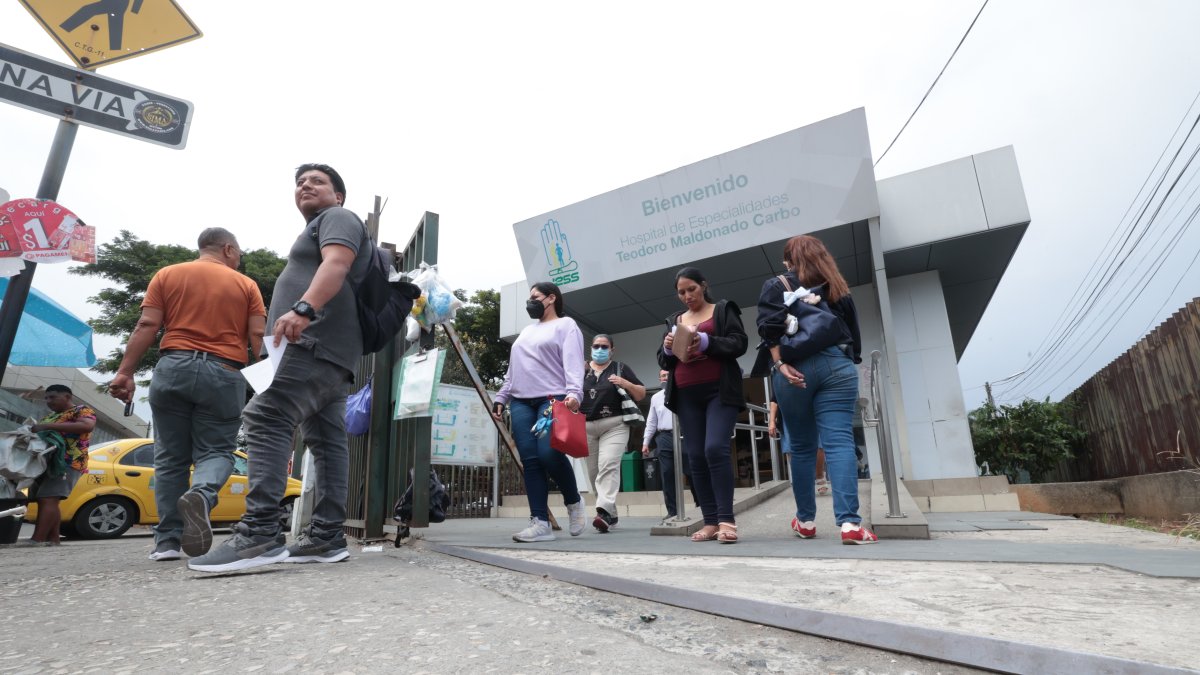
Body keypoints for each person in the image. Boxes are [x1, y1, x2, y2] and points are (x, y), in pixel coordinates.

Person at [190, 163, 374, 572]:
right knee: (326, 442)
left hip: (313, 342)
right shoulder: (323, 223)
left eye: (318, 181)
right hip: (331, 352)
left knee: (267, 416)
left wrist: (304, 309)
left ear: (338, 195)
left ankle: (260, 534)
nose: (305, 185)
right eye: (300, 182)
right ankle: (327, 537)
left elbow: (337, 263)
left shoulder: (337, 218)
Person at [109, 228, 266, 562]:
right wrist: (266, 382)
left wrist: (125, 372)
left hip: (173, 367)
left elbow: (147, 326)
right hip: (224, 372)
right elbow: (257, 335)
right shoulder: (246, 285)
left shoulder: (167, 275)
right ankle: (202, 495)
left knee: (170, 458)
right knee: (218, 451)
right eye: (238, 253)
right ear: (227, 249)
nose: (239, 260)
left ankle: (167, 542)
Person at [756, 234, 877, 544]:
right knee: (838, 442)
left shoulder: (776, 284)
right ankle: (850, 525)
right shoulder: (835, 284)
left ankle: (806, 521)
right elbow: (855, 337)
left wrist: (780, 366)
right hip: (837, 365)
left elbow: (768, 330)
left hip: (793, 368)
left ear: (788, 260)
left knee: (801, 445)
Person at [491, 282, 588, 543]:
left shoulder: (566, 325)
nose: (530, 302)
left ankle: (574, 502)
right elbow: (514, 370)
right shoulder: (525, 331)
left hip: (552, 399)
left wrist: (574, 393)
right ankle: (540, 523)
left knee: (548, 453)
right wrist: (501, 397)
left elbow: (573, 362)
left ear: (551, 298)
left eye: (535, 297)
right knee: (531, 460)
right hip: (521, 402)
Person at [657, 267, 747, 544]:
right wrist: (669, 348)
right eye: (681, 292)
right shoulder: (674, 320)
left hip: (719, 391)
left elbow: (739, 343)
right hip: (686, 395)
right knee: (695, 455)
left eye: (691, 289)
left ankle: (726, 520)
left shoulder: (722, 309)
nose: (687, 296)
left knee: (715, 449)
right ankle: (709, 522)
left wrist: (706, 341)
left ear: (703, 286)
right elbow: (663, 360)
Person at [582, 333, 645, 532]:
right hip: (586, 426)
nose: (599, 350)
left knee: (608, 464)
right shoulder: (581, 370)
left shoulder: (620, 368)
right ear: (591, 348)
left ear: (612, 349)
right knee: (594, 474)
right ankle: (611, 512)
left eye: (604, 346)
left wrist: (624, 383)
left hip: (615, 425)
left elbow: (641, 393)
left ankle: (602, 512)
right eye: (596, 346)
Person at [26, 385, 96, 545]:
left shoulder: (82, 410)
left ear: (67, 396)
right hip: (46, 462)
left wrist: (46, 426)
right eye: (46, 398)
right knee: (49, 499)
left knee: (48, 498)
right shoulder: (51, 416)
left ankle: (37, 539)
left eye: (52, 397)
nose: (48, 401)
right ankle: (54, 539)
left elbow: (86, 426)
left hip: (68, 462)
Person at [640, 369, 688, 522]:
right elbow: (651, 422)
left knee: (692, 471)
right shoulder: (655, 398)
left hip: (684, 434)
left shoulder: (684, 391)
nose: (666, 378)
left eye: (668, 375)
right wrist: (646, 442)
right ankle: (672, 511)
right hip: (664, 437)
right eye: (663, 376)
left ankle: (701, 505)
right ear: (659, 378)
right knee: (667, 474)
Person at [768, 394, 829, 496]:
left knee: (818, 444)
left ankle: (819, 475)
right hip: (788, 413)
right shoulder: (780, 378)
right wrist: (771, 421)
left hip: (811, 409)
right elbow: (775, 399)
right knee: (791, 448)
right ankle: (803, 481)